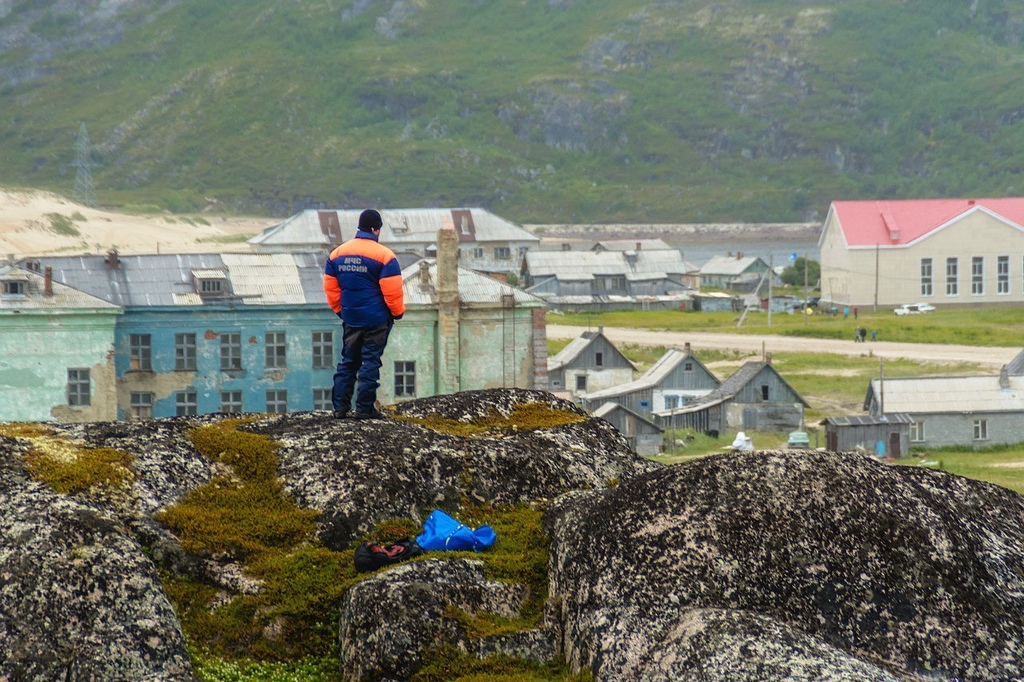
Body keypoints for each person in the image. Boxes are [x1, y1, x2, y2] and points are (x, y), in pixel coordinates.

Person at [323, 209, 405, 419]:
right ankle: (364, 409)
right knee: (370, 362)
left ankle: (340, 408)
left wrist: (342, 312)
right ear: (377, 229)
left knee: (348, 362)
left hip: (351, 318)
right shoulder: (386, 257)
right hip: (377, 320)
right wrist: (396, 313)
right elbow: (392, 291)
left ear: (359, 227)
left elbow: (331, 290)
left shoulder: (337, 254)